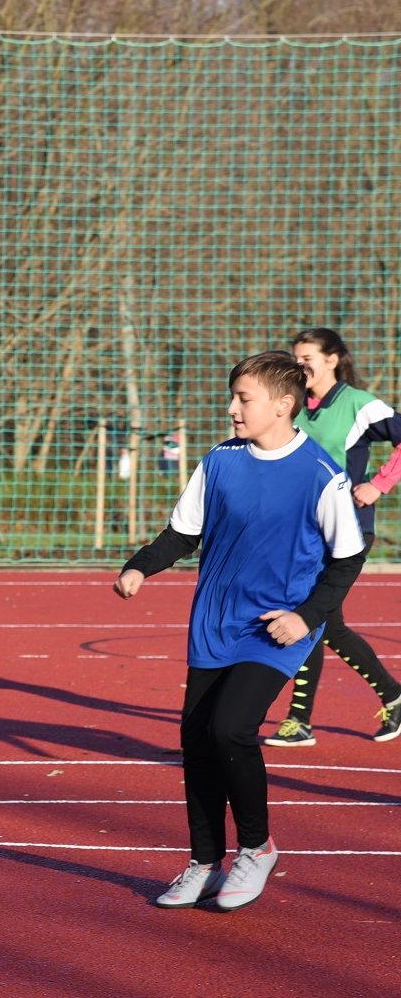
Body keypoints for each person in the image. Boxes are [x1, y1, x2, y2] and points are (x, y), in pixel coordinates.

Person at [115, 351, 364, 912]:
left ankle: (257, 847)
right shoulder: (220, 461)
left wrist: (306, 615)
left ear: (283, 405)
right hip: (213, 623)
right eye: (232, 397)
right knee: (197, 742)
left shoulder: (321, 475)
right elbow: (182, 534)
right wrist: (139, 566)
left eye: (243, 399)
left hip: (276, 629)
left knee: (231, 729)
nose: (232, 409)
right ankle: (203, 862)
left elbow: (347, 558)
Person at [262, 327, 401, 747]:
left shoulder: (360, 405)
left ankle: (301, 720)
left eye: (308, 358)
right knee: (320, 620)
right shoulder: (295, 405)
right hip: (304, 530)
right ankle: (392, 697)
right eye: (296, 357)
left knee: (314, 616)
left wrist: (379, 483)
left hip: (349, 529)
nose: (300, 364)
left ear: (332, 360)